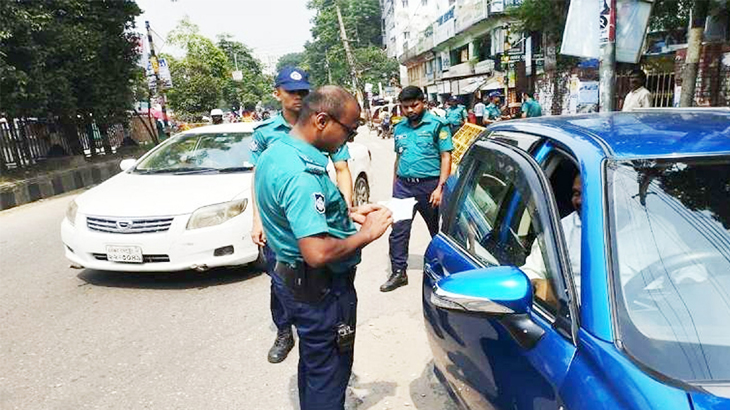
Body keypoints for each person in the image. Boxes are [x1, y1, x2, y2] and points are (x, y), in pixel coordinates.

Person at [255, 86, 393, 410]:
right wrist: (367, 234)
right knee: (330, 375)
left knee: (315, 366)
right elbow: (316, 252)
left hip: (297, 286)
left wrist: (346, 214)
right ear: (321, 120)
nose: (351, 137)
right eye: (350, 129)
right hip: (321, 291)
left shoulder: (277, 152)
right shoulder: (301, 174)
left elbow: (296, 215)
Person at [250, 67, 354, 364]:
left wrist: (345, 208)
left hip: (313, 213)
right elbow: (259, 177)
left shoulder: (327, 126)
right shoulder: (267, 133)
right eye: (292, 91)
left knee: (312, 285)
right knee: (283, 275)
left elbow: (342, 168)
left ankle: (313, 336)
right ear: (277, 93)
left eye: (303, 92)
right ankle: (285, 331)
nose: (298, 96)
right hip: (283, 221)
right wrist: (257, 220)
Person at [381, 86, 454, 292]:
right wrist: (394, 185)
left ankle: (445, 272)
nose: (410, 110)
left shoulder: (437, 125)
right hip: (404, 187)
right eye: (405, 107)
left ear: (423, 102)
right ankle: (398, 273)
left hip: (430, 186)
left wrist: (440, 188)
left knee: (437, 231)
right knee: (398, 232)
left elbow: (446, 156)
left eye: (414, 105)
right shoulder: (399, 128)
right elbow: (399, 158)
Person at [521, 174, 582, 304]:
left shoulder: (635, 235)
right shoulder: (560, 232)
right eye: (577, 193)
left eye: (587, 196)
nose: (579, 201)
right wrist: (545, 288)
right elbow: (531, 273)